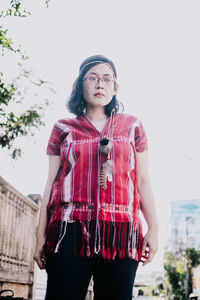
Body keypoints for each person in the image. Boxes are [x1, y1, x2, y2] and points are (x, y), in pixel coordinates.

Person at [34, 55, 158, 300]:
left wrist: (153, 229)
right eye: (92, 78)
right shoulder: (63, 127)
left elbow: (143, 180)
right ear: (81, 84)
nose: (100, 84)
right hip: (68, 231)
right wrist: (40, 236)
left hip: (121, 233)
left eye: (106, 78)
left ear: (115, 87)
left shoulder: (132, 126)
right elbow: (50, 184)